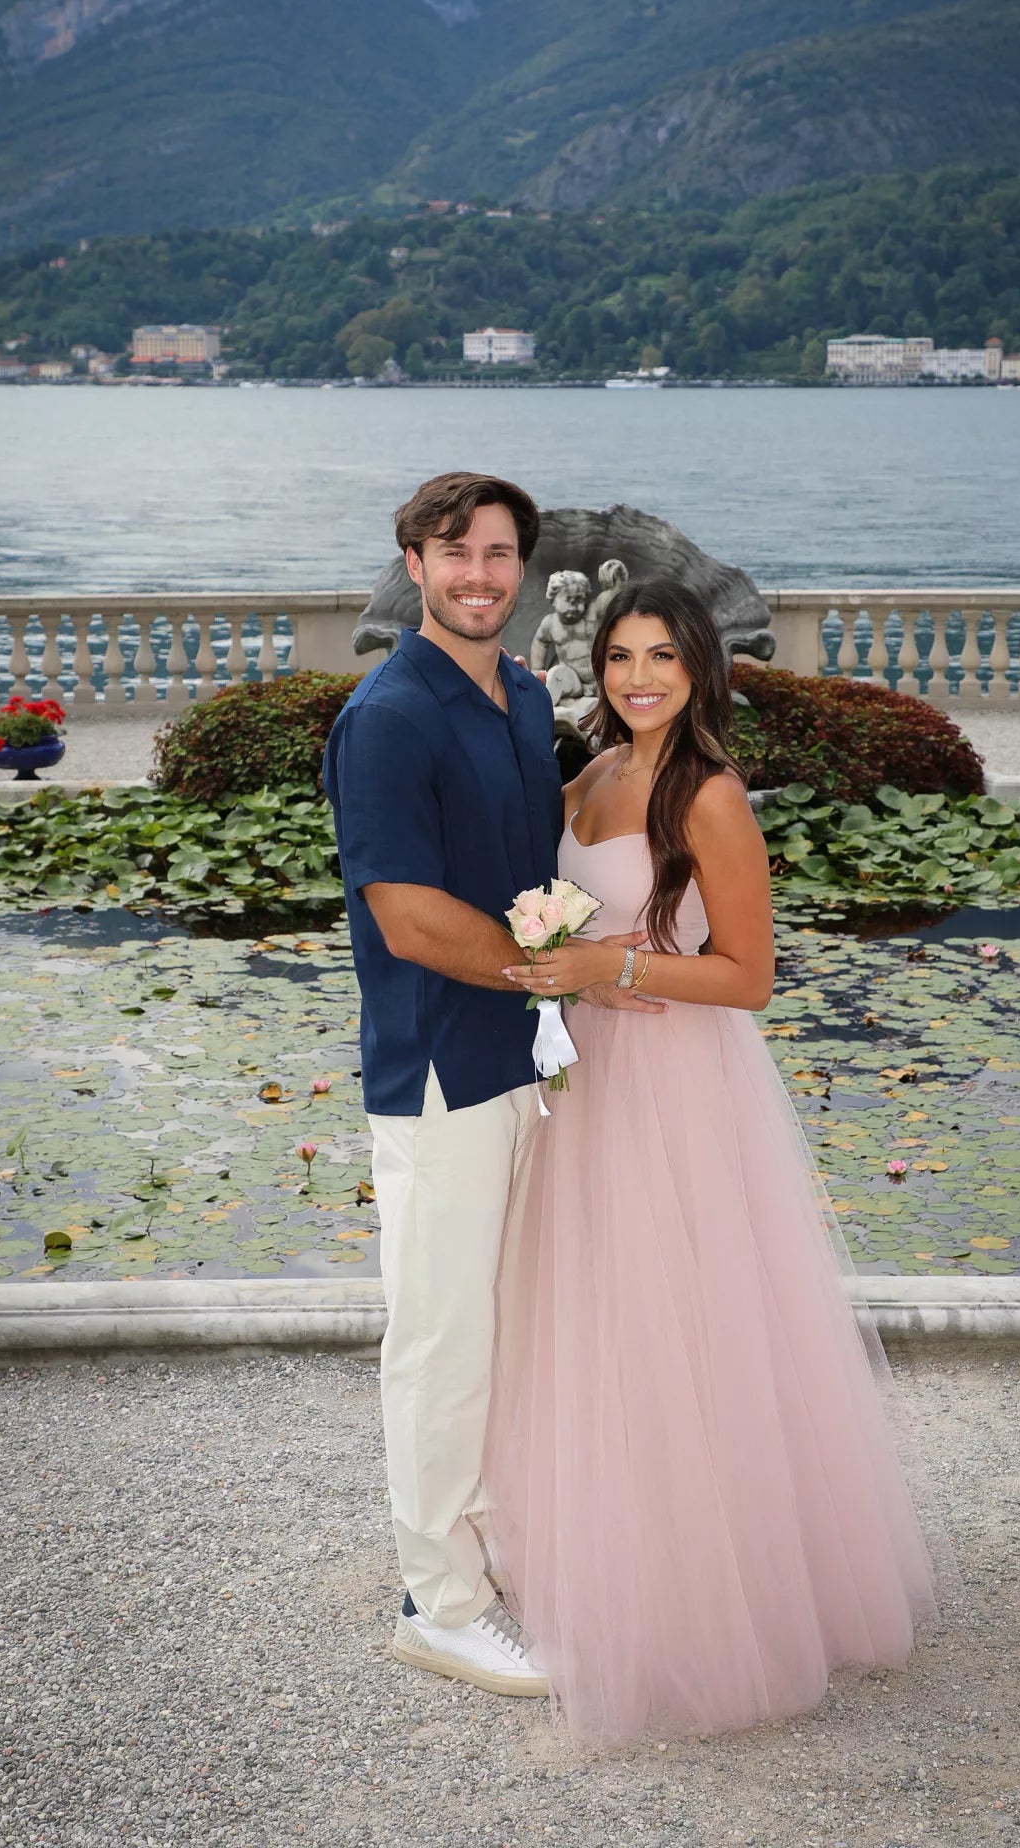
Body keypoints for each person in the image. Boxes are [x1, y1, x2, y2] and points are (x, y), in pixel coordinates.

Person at [486, 574, 946, 1744]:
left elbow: (749, 977)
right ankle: (607, 1558)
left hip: (677, 1091)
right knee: (593, 1322)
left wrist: (614, 968)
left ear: (701, 667)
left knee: (684, 1328)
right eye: (621, 656)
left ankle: (714, 1598)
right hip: (584, 1081)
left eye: (662, 657)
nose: (638, 677)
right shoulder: (587, 775)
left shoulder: (712, 795)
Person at [321, 471, 657, 1700]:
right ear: (413, 561)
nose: (480, 573)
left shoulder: (521, 693)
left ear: (524, 568)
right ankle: (439, 1603)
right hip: (438, 1076)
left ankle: (482, 1547)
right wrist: (553, 970)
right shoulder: (388, 716)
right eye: (455, 550)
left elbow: (550, 841)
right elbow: (406, 917)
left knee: (506, 1329)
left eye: (500, 553)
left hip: (524, 1057)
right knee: (443, 1341)